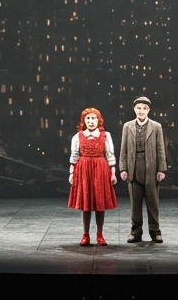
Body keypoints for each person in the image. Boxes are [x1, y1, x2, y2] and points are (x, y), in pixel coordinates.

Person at [119, 96, 167, 243]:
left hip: (151, 167)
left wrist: (161, 169)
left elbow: (160, 149)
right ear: (134, 109)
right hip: (133, 167)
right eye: (138, 108)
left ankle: (155, 231)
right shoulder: (127, 126)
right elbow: (123, 149)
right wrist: (123, 168)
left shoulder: (156, 126)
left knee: (153, 203)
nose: (141, 111)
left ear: (148, 110)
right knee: (135, 203)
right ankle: (136, 232)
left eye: (144, 108)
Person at [67, 107, 118, 246]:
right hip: (83, 169)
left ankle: (100, 234)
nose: (91, 121)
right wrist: (71, 173)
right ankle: (86, 234)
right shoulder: (77, 136)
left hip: (100, 169)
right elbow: (74, 156)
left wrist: (113, 173)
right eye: (88, 118)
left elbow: (110, 155)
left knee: (100, 203)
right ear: (84, 121)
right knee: (86, 203)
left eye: (93, 118)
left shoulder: (106, 135)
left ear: (98, 120)